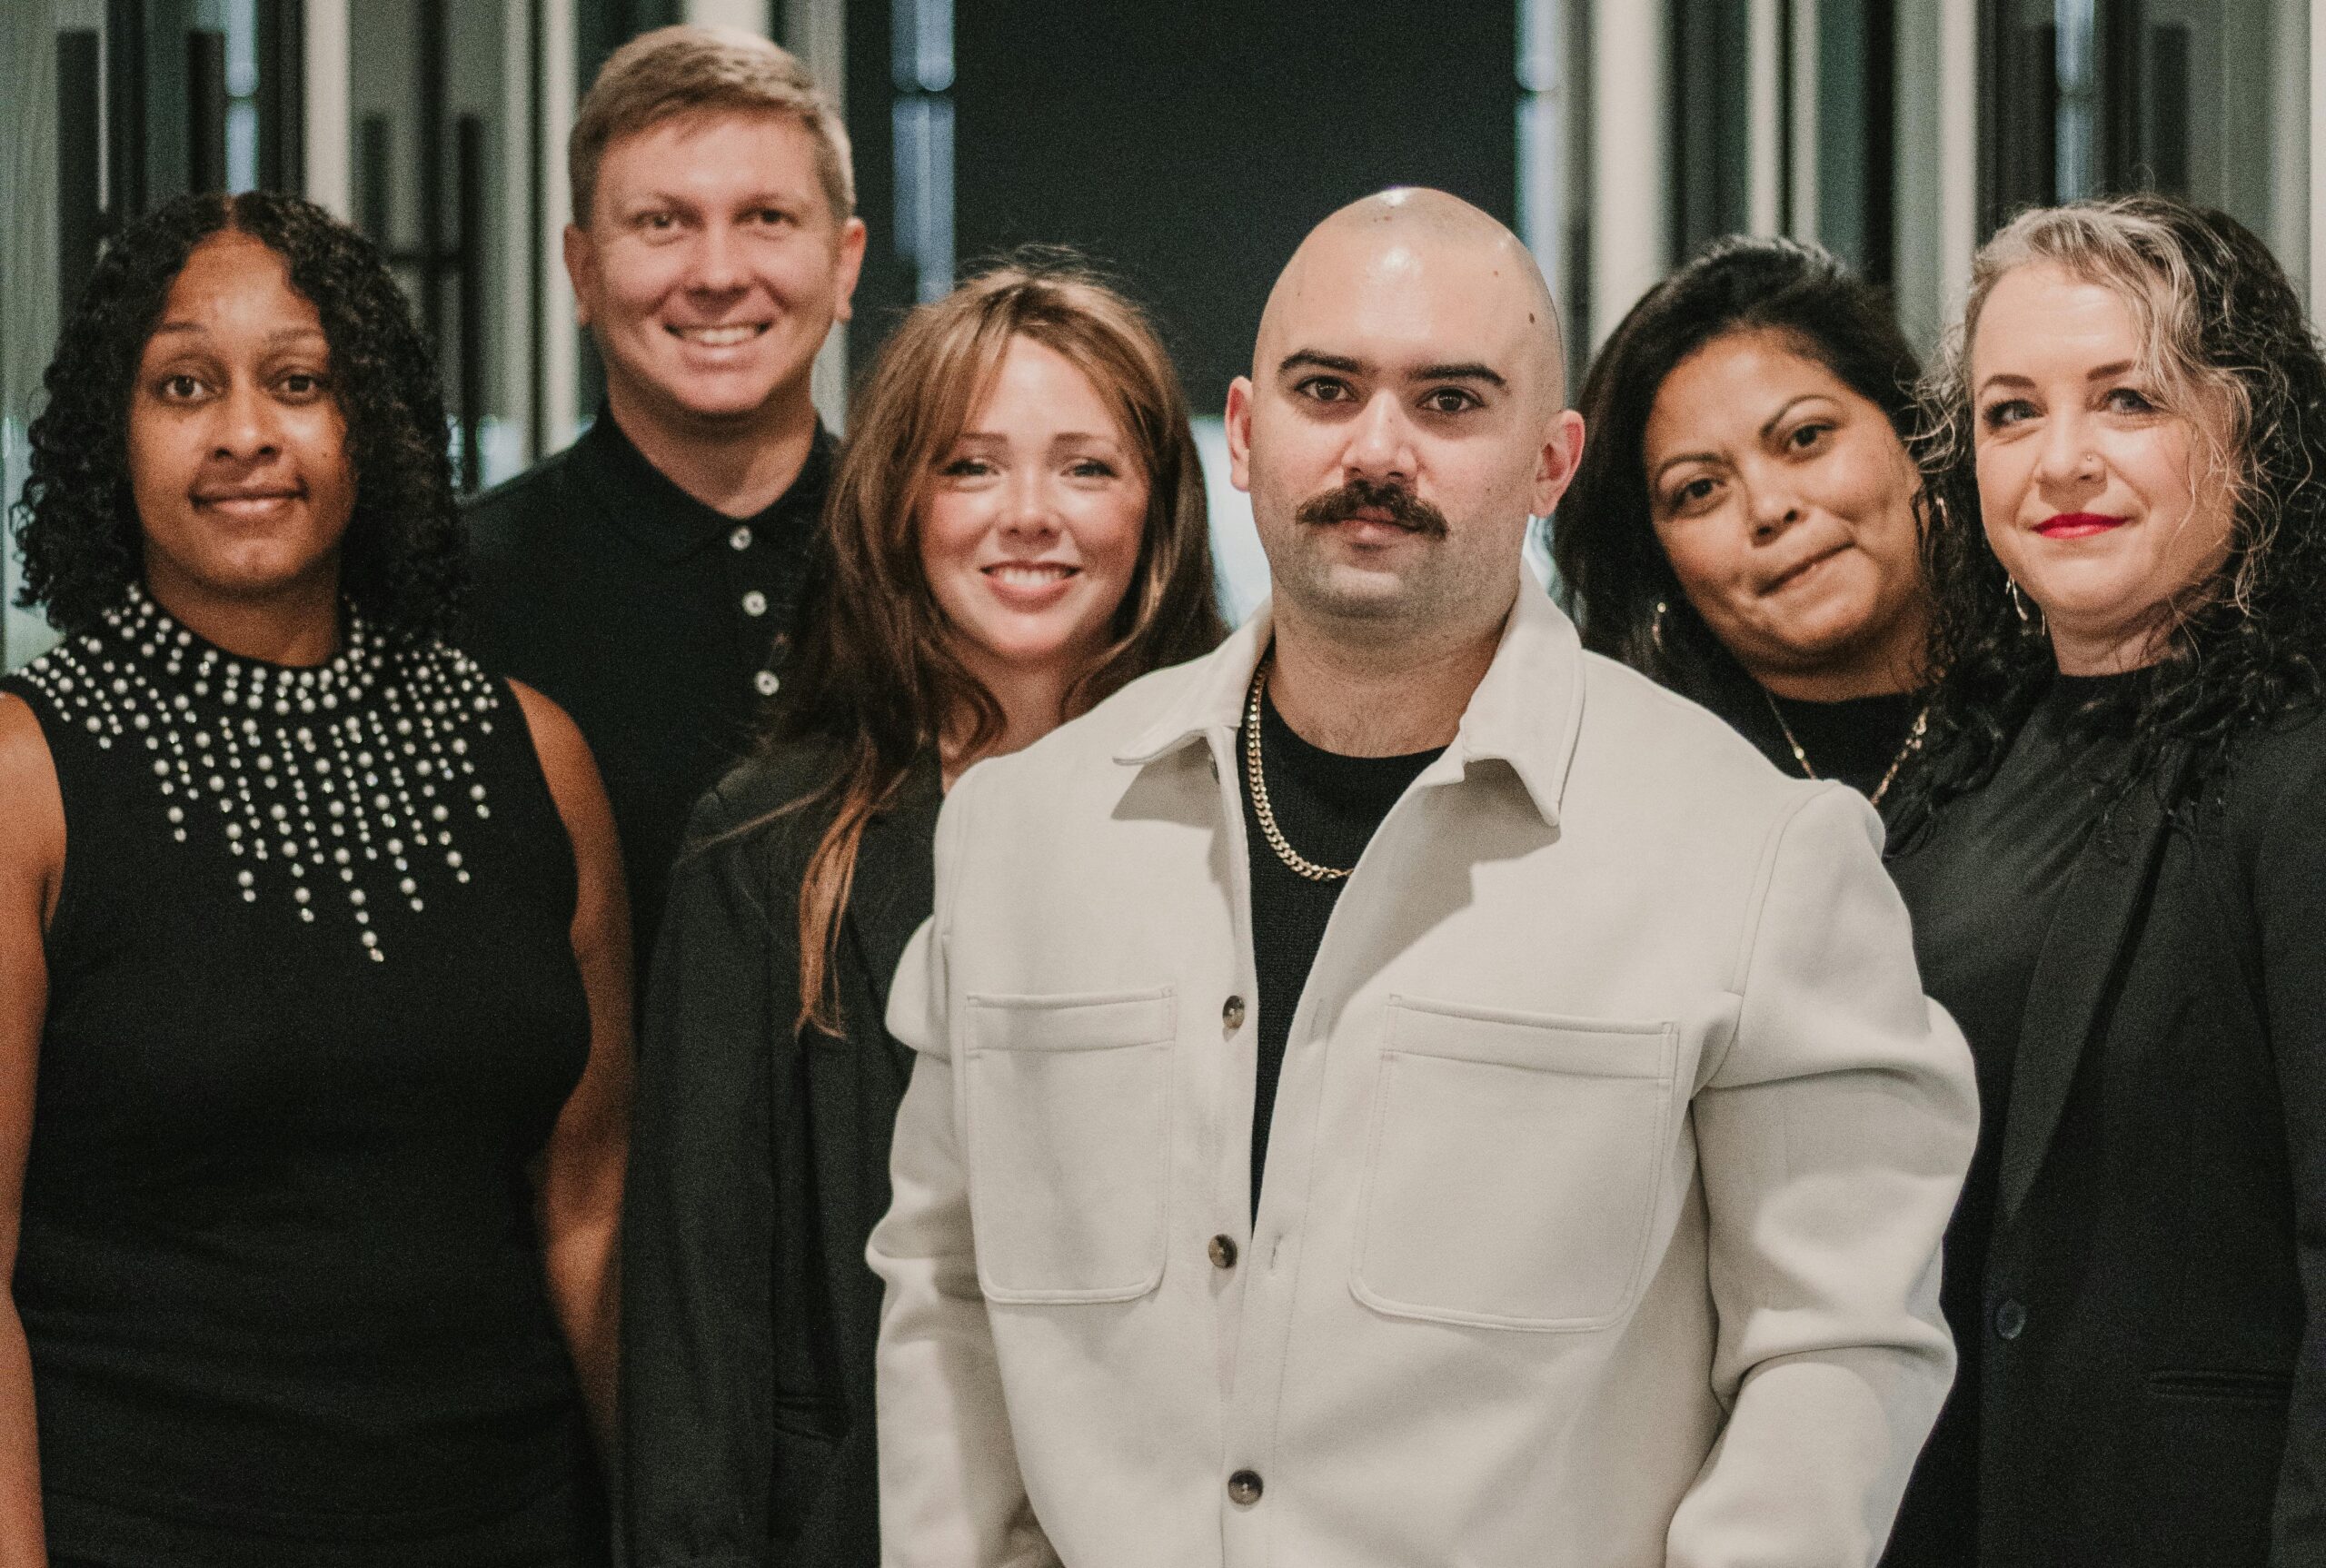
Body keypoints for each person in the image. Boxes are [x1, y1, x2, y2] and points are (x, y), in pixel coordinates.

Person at [870, 188, 1977, 1567]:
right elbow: (946, 1296)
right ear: (1247, 432)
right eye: (1326, 391)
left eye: (1450, 402)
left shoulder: (1752, 851)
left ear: (1552, 462)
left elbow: (1837, 1349)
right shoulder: (1022, 834)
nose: (1377, 450)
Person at [0, 192, 629, 1565]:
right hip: (147, 1532)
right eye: (183, 386)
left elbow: (587, 1205)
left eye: (298, 382)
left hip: (515, 1525)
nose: (245, 433)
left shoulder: (534, 751)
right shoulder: (24, 775)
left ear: (372, 426)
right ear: (112, 433)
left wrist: (675, 1528)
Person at [620, 254, 1223, 1567]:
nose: (1029, 516)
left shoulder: (1250, 826)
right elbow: (696, 1322)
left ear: (1159, 511)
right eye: (970, 466)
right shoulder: (766, 845)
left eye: (1086, 467)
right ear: (898, 503)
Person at [1881, 194, 2326, 1567]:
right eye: (2011, 413)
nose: (2060, 460)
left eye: (2127, 399)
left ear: (2251, 428)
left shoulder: (2300, 765)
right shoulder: (1959, 757)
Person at [466, 24, 867, 991]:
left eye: (766, 217)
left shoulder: (936, 559)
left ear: (845, 263)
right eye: (662, 223)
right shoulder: (452, 586)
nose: (718, 273)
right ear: (581, 271)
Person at [1555, 236, 1933, 807]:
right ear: (1658, 557)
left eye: (1805, 437)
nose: (1769, 509)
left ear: (1912, 433)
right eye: (1700, 490)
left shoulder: (2063, 706)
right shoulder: (1622, 793)